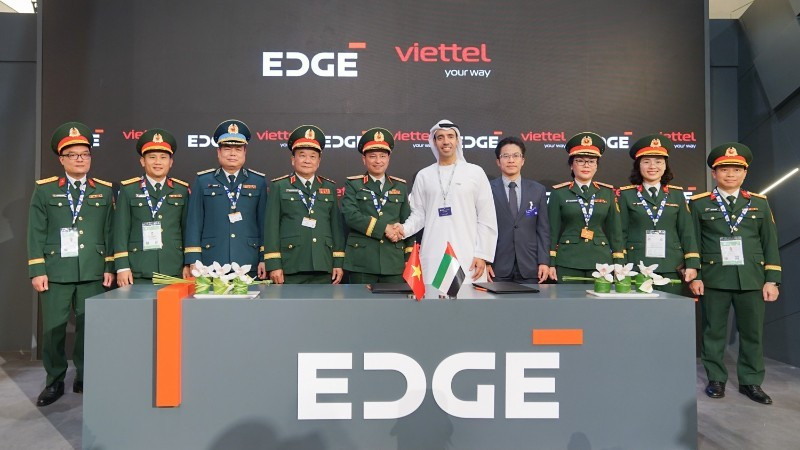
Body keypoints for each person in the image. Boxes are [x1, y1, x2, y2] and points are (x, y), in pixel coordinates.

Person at [27, 122, 114, 406]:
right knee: (53, 330)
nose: (80, 159)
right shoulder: (45, 190)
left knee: (90, 328)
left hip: (92, 270)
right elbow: (36, 231)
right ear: (61, 159)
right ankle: (54, 380)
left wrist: (109, 266)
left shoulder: (104, 190)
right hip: (56, 272)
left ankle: (85, 376)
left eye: (85, 154)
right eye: (73, 154)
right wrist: (37, 269)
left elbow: (109, 231)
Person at [689, 143, 780, 405]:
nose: (730, 174)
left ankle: (751, 382)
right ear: (714, 173)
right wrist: (696, 275)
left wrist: (772, 280)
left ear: (745, 173)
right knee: (713, 332)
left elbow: (769, 243)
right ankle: (716, 378)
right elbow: (693, 241)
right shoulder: (699, 204)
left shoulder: (759, 203)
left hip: (751, 278)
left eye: (736, 169)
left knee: (752, 333)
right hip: (714, 278)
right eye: (724, 169)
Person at [396, 120, 497, 286]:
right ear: (434, 142)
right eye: (440, 137)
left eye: (450, 136)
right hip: (434, 253)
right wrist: (403, 230)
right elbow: (418, 214)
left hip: (468, 255)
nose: (446, 141)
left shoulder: (475, 172)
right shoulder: (424, 175)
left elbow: (487, 217)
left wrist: (482, 254)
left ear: (457, 140)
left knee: (468, 299)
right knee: (434, 297)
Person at [184, 120, 267, 279]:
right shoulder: (203, 181)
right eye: (227, 148)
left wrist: (264, 258)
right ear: (218, 152)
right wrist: (193, 259)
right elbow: (194, 222)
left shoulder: (258, 181)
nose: (232, 153)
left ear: (245, 152)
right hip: (210, 262)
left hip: (248, 260)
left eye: (238, 149)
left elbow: (264, 224)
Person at [617, 135, 699, 294]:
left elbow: (687, 232)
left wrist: (692, 264)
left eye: (658, 161)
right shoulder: (626, 195)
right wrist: (621, 264)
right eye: (646, 161)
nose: (652, 166)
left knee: (671, 309)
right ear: (638, 165)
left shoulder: (677, 194)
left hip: (671, 266)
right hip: (636, 266)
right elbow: (620, 233)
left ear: (665, 165)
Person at [264, 125, 345, 284]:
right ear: (293, 159)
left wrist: (338, 262)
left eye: (313, 156)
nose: (307, 160)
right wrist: (274, 265)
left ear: (319, 161)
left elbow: (336, 227)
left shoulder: (329, 187)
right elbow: (271, 227)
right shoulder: (279, 186)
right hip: (290, 263)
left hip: (323, 263)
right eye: (302, 155)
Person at [114, 129, 190, 284]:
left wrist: (187, 262)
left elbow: (187, 229)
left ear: (171, 162)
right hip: (138, 267)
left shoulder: (182, 190)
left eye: (163, 157)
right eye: (152, 157)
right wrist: (122, 266)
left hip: (173, 266)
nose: (158, 162)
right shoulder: (129, 189)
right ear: (142, 161)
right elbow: (121, 230)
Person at [547, 132, 624, 283]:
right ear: (571, 165)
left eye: (591, 161)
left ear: (596, 166)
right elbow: (552, 231)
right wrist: (551, 262)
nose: (586, 165)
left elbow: (615, 231)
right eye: (580, 161)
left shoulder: (607, 192)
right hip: (567, 260)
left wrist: (618, 262)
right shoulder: (559, 193)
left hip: (601, 261)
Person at [341, 128, 414, 283]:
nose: (378, 161)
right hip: (362, 261)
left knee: (394, 300)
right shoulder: (353, 184)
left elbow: (407, 221)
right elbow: (351, 216)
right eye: (372, 156)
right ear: (364, 159)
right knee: (360, 300)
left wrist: (409, 256)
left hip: (393, 261)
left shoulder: (400, 186)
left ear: (388, 158)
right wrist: (384, 228)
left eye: (382, 156)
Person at [486, 136, 550, 284]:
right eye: (505, 156)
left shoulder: (537, 190)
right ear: (498, 161)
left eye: (516, 155)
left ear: (522, 160)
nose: (511, 160)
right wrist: (485, 260)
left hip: (531, 265)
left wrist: (544, 261)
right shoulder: (487, 189)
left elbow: (543, 230)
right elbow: (482, 228)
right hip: (497, 266)